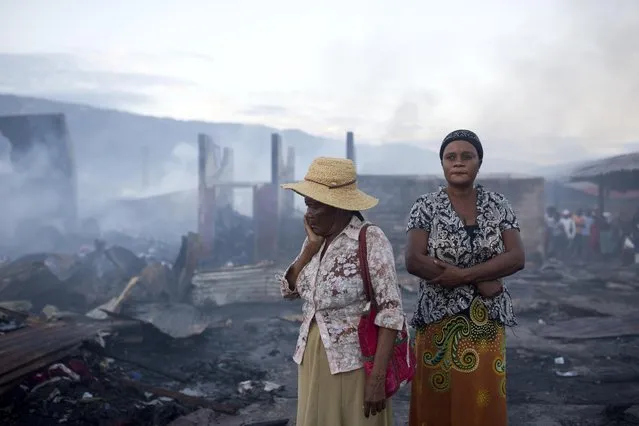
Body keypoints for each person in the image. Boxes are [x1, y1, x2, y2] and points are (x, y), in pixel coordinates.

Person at [405, 129, 525, 426]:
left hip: (486, 320)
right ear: (443, 164)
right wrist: (482, 275)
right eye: (450, 157)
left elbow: (516, 256)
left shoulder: (499, 204)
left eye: (467, 156)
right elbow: (413, 259)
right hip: (437, 320)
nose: (458, 163)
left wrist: (462, 275)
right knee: (438, 399)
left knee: (481, 397)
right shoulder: (425, 206)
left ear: (479, 162)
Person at [278, 157, 405, 426]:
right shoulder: (316, 240)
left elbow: (391, 312)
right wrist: (310, 250)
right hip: (312, 355)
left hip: (354, 364)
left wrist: (377, 378)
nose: (308, 214)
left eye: (315, 205)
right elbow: (288, 291)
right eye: (307, 205)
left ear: (337, 206)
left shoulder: (370, 239)